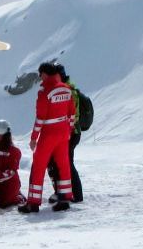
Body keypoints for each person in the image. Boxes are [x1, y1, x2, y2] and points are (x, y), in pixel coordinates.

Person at [19, 62, 76, 214]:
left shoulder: (45, 93)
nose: (39, 77)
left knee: (38, 166)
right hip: (63, 132)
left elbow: (40, 118)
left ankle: (33, 202)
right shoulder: (67, 89)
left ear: (45, 74)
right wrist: (68, 130)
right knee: (63, 166)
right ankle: (64, 198)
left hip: (49, 134)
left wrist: (33, 138)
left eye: (40, 73)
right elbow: (72, 113)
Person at [48, 64, 84, 203]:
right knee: (56, 162)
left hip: (70, 133)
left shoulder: (68, 90)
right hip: (64, 133)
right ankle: (61, 192)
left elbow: (72, 115)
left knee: (66, 163)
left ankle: (74, 194)